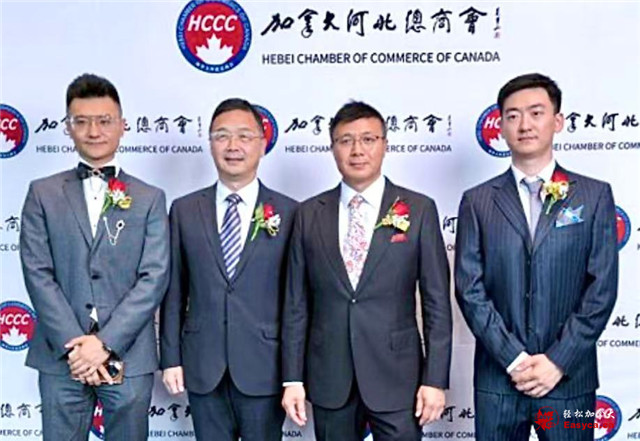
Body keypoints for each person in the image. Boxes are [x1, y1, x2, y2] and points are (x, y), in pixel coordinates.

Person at [455, 73, 618, 440]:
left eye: (536, 113)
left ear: (557, 121)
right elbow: (469, 289)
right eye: (512, 116)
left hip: (570, 380)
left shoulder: (593, 196)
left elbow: (602, 288)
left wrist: (558, 360)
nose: (524, 124)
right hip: (498, 379)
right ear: (501, 127)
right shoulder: (477, 202)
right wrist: (513, 358)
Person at [281, 101, 452, 441]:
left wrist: (435, 379)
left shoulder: (418, 209)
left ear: (384, 145)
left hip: (398, 377)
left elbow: (436, 303)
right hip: (330, 376)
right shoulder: (308, 214)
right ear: (333, 148)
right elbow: (295, 304)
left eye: (368, 139)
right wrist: (293, 378)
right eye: (345, 140)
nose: (357, 150)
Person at [19, 73, 170, 441]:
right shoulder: (42, 193)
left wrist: (103, 344)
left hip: (128, 353)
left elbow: (154, 277)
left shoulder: (149, 198)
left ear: (122, 125)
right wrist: (77, 346)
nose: (93, 131)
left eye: (104, 121)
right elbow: (37, 272)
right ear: (68, 127)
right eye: (82, 121)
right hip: (61, 354)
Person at [160, 98, 297, 441]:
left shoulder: (291, 212)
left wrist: (294, 374)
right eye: (222, 136)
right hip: (203, 367)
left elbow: (296, 303)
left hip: (265, 368)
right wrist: (171, 358)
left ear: (262, 144)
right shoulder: (184, 210)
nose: (233, 146)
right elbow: (173, 293)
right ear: (211, 144)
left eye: (244, 136)